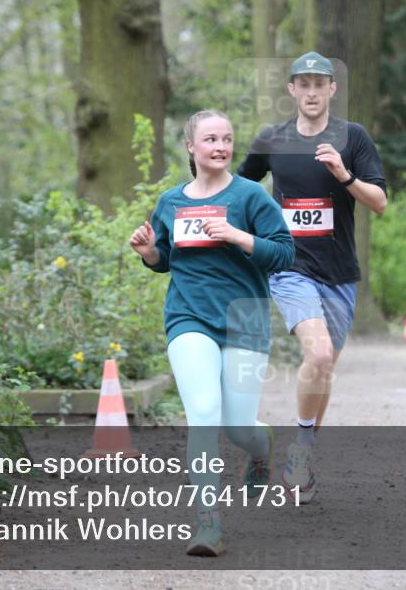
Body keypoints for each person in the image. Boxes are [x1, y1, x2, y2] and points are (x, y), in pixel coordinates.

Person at [130, 109, 295, 556]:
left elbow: (284, 253)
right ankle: (209, 525)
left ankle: (260, 449)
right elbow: (166, 259)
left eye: (226, 139)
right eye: (210, 139)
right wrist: (148, 252)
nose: (220, 146)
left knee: (238, 427)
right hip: (189, 318)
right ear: (190, 146)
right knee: (202, 412)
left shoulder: (251, 197)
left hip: (245, 318)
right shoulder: (170, 201)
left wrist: (237, 236)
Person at [237, 52, 387, 502]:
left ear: (331, 90)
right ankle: (299, 453)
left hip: (340, 273)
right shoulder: (273, 139)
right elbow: (237, 188)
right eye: (303, 84)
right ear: (291, 90)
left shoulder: (352, 138)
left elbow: (378, 201)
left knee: (324, 366)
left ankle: (302, 448)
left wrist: (344, 176)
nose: (312, 92)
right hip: (289, 267)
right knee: (318, 353)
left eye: (319, 84)